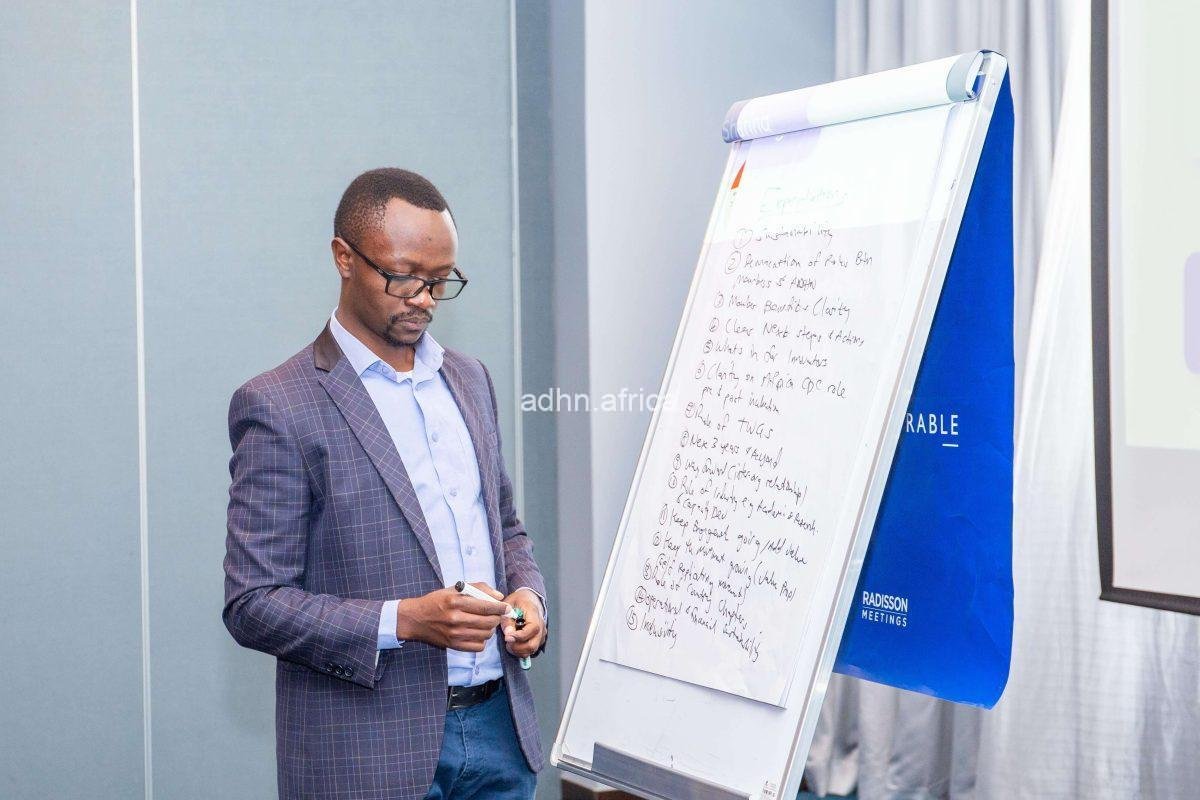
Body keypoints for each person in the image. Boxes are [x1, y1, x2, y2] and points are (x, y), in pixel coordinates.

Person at [223, 168, 547, 800]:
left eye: (441, 280)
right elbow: (253, 603)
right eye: (403, 276)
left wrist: (529, 598)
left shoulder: (471, 380)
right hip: (366, 756)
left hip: (501, 736)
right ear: (344, 258)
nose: (424, 298)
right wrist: (404, 621)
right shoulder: (279, 404)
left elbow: (505, 528)